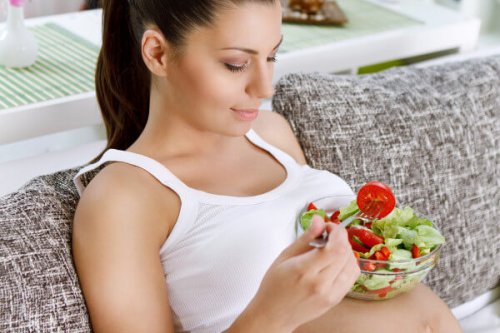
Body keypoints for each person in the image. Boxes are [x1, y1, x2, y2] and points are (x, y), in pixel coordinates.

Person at [71, 0, 463, 332]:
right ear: (157, 52)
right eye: (236, 64)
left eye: (272, 56)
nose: (265, 88)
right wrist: (270, 315)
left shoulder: (270, 134)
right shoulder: (123, 198)